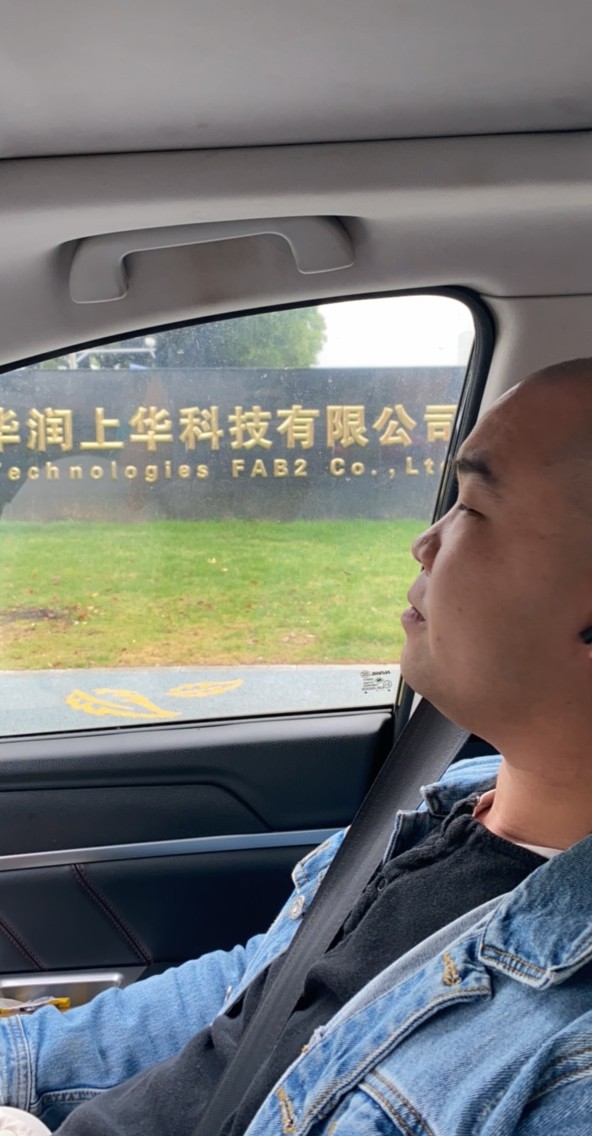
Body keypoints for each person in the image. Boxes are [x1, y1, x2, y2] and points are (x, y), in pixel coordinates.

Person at [0, 358, 591, 1135]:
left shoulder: (568, 1063)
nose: (424, 542)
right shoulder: (451, 809)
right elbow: (254, 1003)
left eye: (474, 510)